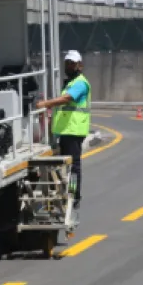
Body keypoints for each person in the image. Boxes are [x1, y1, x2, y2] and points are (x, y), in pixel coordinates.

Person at [36, 50, 91, 213]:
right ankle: (64, 192)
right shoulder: (70, 82)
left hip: (74, 130)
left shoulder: (80, 83)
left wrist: (47, 103)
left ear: (79, 65)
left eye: (72, 63)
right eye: (67, 63)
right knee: (64, 165)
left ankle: (74, 196)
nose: (69, 66)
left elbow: (67, 99)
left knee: (74, 166)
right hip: (66, 131)